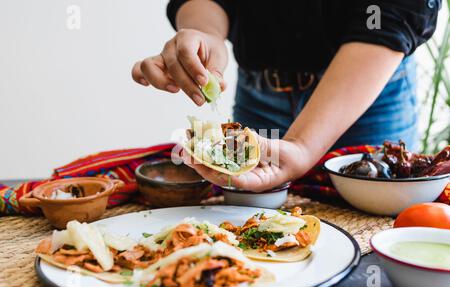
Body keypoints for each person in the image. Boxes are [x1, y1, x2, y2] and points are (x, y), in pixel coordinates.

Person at [132, 0, 440, 192]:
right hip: (259, 97)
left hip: (365, 96)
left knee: (370, 252)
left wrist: (302, 146)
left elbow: (397, 8)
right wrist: (207, 35)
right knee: (249, 238)